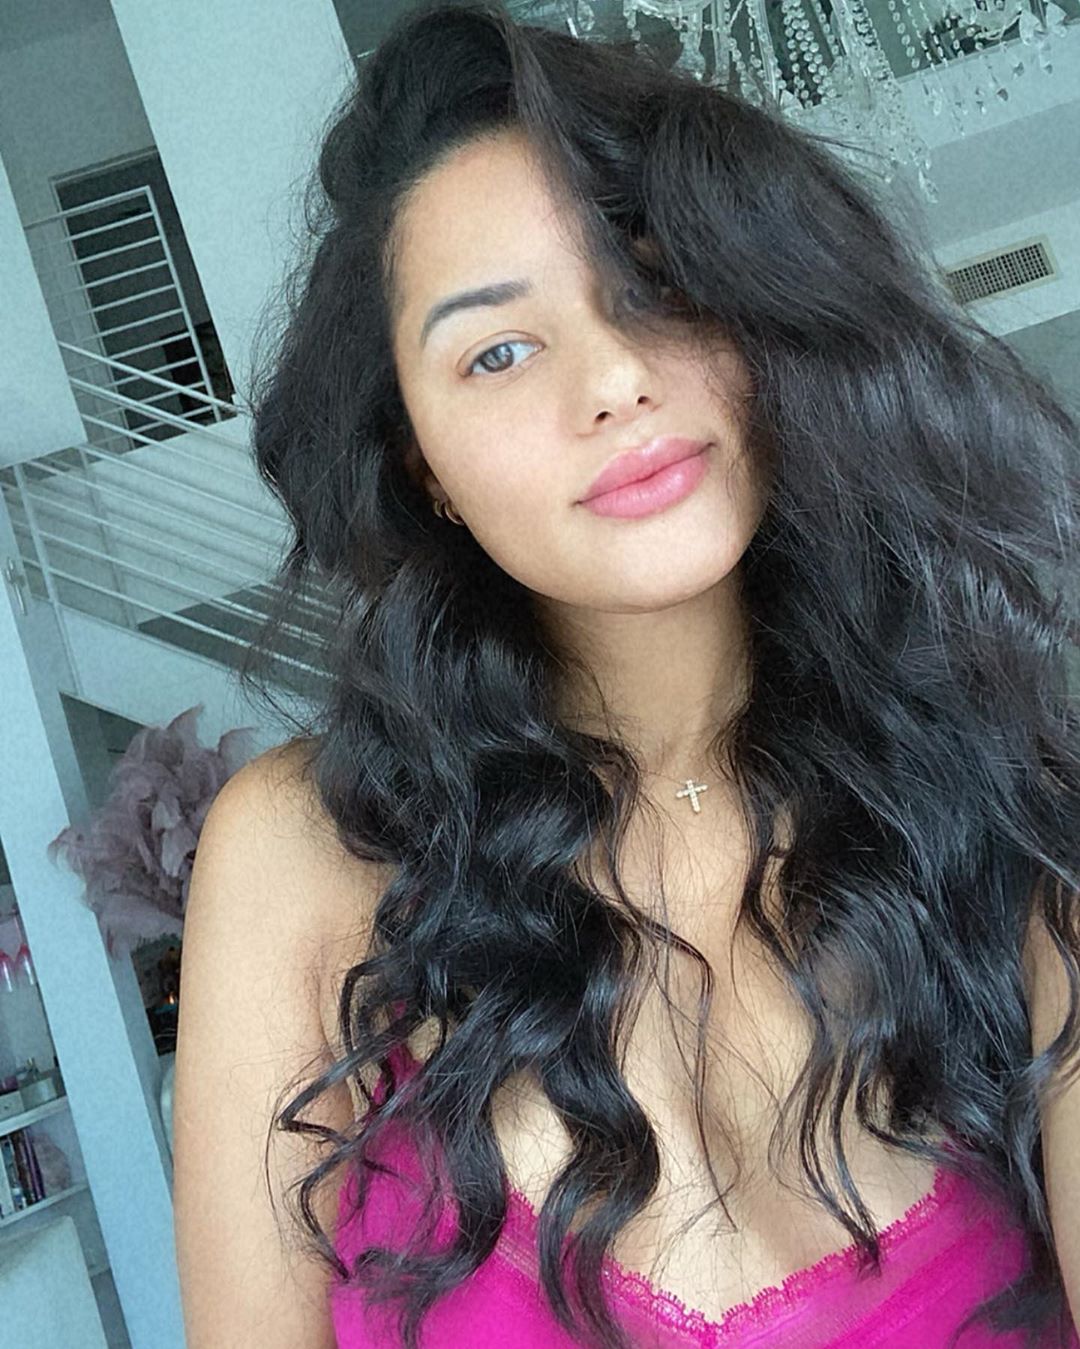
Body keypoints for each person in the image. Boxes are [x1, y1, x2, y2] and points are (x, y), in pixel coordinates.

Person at [171, 3, 1080, 1346]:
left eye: (657, 286)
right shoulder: (298, 855)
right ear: (422, 462)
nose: (610, 380)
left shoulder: (1017, 817)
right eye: (496, 350)